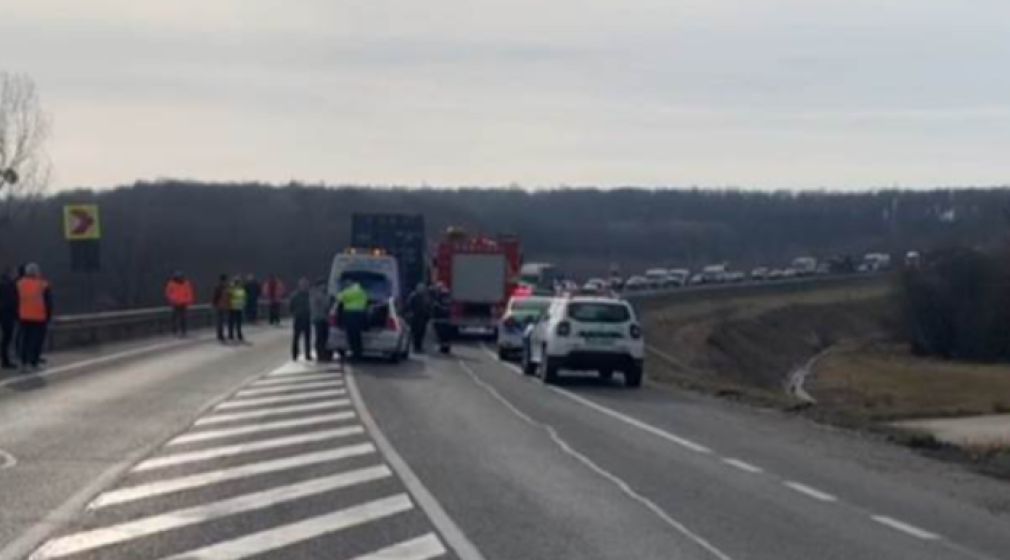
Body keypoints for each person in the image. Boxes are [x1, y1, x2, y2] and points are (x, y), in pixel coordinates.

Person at [16, 263, 52, 371]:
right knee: (36, 341)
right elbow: (48, 303)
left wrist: (16, 315)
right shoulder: (43, 284)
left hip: (24, 316)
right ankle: (34, 362)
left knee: (25, 341)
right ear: (37, 272)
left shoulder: (19, 284)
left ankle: (23, 363)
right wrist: (49, 316)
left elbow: (15, 301)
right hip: (39, 317)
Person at [337, 281, 368, 361]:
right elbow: (365, 301)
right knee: (357, 336)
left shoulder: (349, 291)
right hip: (360, 315)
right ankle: (358, 353)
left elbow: (339, 298)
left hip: (350, 314)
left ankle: (355, 354)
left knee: (352, 336)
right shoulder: (362, 291)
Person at [164, 271, 195, 337]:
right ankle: (175, 331)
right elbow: (168, 293)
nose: (179, 279)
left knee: (183, 318)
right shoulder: (171, 283)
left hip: (183, 303)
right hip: (175, 303)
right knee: (174, 318)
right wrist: (172, 300)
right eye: (178, 277)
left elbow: (189, 293)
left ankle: (183, 331)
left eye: (180, 277)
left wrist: (188, 301)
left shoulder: (186, 283)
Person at [310, 278, 333, 362]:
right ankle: (321, 355)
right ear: (319, 286)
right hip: (319, 318)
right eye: (323, 285)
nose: (325, 286)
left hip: (324, 319)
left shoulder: (321, 294)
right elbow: (325, 305)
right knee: (320, 338)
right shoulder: (317, 294)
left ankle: (325, 354)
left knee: (325, 337)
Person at [289, 278, 312, 361]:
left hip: (307, 318)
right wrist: (295, 313)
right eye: (303, 285)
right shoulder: (295, 296)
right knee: (296, 338)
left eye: (306, 285)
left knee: (308, 338)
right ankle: (294, 355)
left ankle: (308, 354)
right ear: (299, 286)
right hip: (298, 318)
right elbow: (290, 306)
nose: (305, 287)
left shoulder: (310, 295)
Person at [405, 283, 432, 352]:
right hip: (415, 318)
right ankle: (416, 347)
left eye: (423, 288)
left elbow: (428, 306)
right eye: (421, 288)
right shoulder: (413, 296)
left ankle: (419, 347)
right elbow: (409, 306)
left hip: (422, 318)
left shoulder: (424, 296)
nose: (422, 290)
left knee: (421, 333)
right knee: (416, 333)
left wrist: (428, 315)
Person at [0, 268, 17, 369]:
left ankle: (5, 359)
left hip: (4, 312)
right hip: (7, 314)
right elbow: (13, 301)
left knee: (6, 338)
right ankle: (5, 361)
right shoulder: (10, 286)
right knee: (7, 338)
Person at [228, 276, 247, 342]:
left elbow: (229, 296)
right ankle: (239, 335)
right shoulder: (241, 289)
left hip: (232, 307)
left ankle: (231, 335)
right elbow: (244, 297)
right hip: (239, 307)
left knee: (231, 322)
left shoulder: (232, 288)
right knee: (238, 323)